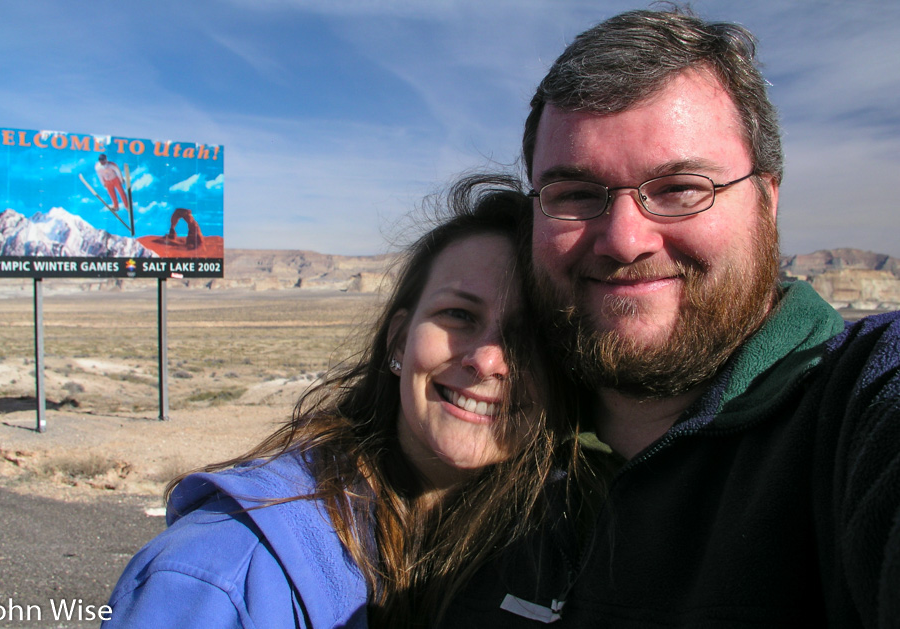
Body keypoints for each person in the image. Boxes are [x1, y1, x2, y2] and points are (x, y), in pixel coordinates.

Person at [443, 7, 900, 628]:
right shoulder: (485, 426)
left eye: (682, 188)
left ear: (767, 199)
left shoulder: (853, 412)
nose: (625, 240)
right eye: (575, 194)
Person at [103, 175, 603, 628]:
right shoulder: (223, 576)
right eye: (458, 315)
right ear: (399, 341)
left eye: (531, 336)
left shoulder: (582, 546)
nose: (488, 361)